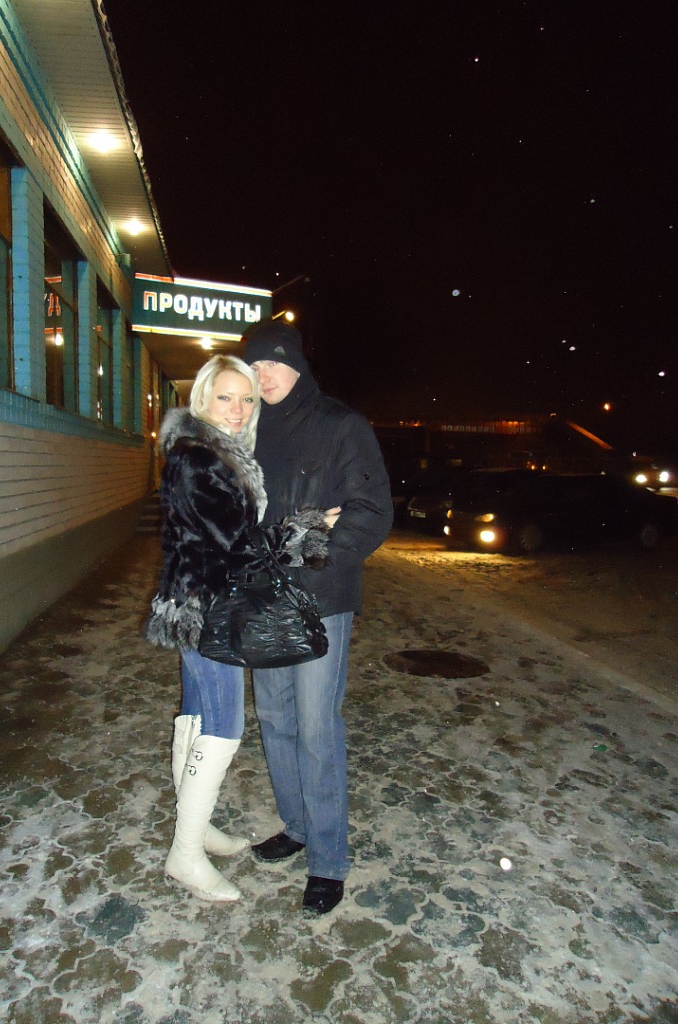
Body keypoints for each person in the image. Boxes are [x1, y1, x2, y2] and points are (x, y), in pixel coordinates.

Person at [145, 354, 333, 903]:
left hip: (197, 601)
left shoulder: (211, 452)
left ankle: (195, 828)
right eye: (225, 397)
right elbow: (238, 545)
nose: (238, 409)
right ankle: (185, 855)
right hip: (208, 609)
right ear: (203, 397)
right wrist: (308, 532)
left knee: (198, 716)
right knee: (223, 727)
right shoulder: (198, 460)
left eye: (247, 399)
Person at [242, 319, 393, 915]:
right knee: (274, 717)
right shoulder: (249, 428)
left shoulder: (341, 425)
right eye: (255, 366)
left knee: (315, 726)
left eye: (274, 362)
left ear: (299, 364)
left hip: (321, 601)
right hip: (263, 597)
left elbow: (371, 511)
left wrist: (306, 547)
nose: (264, 376)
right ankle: (298, 825)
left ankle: (328, 860)